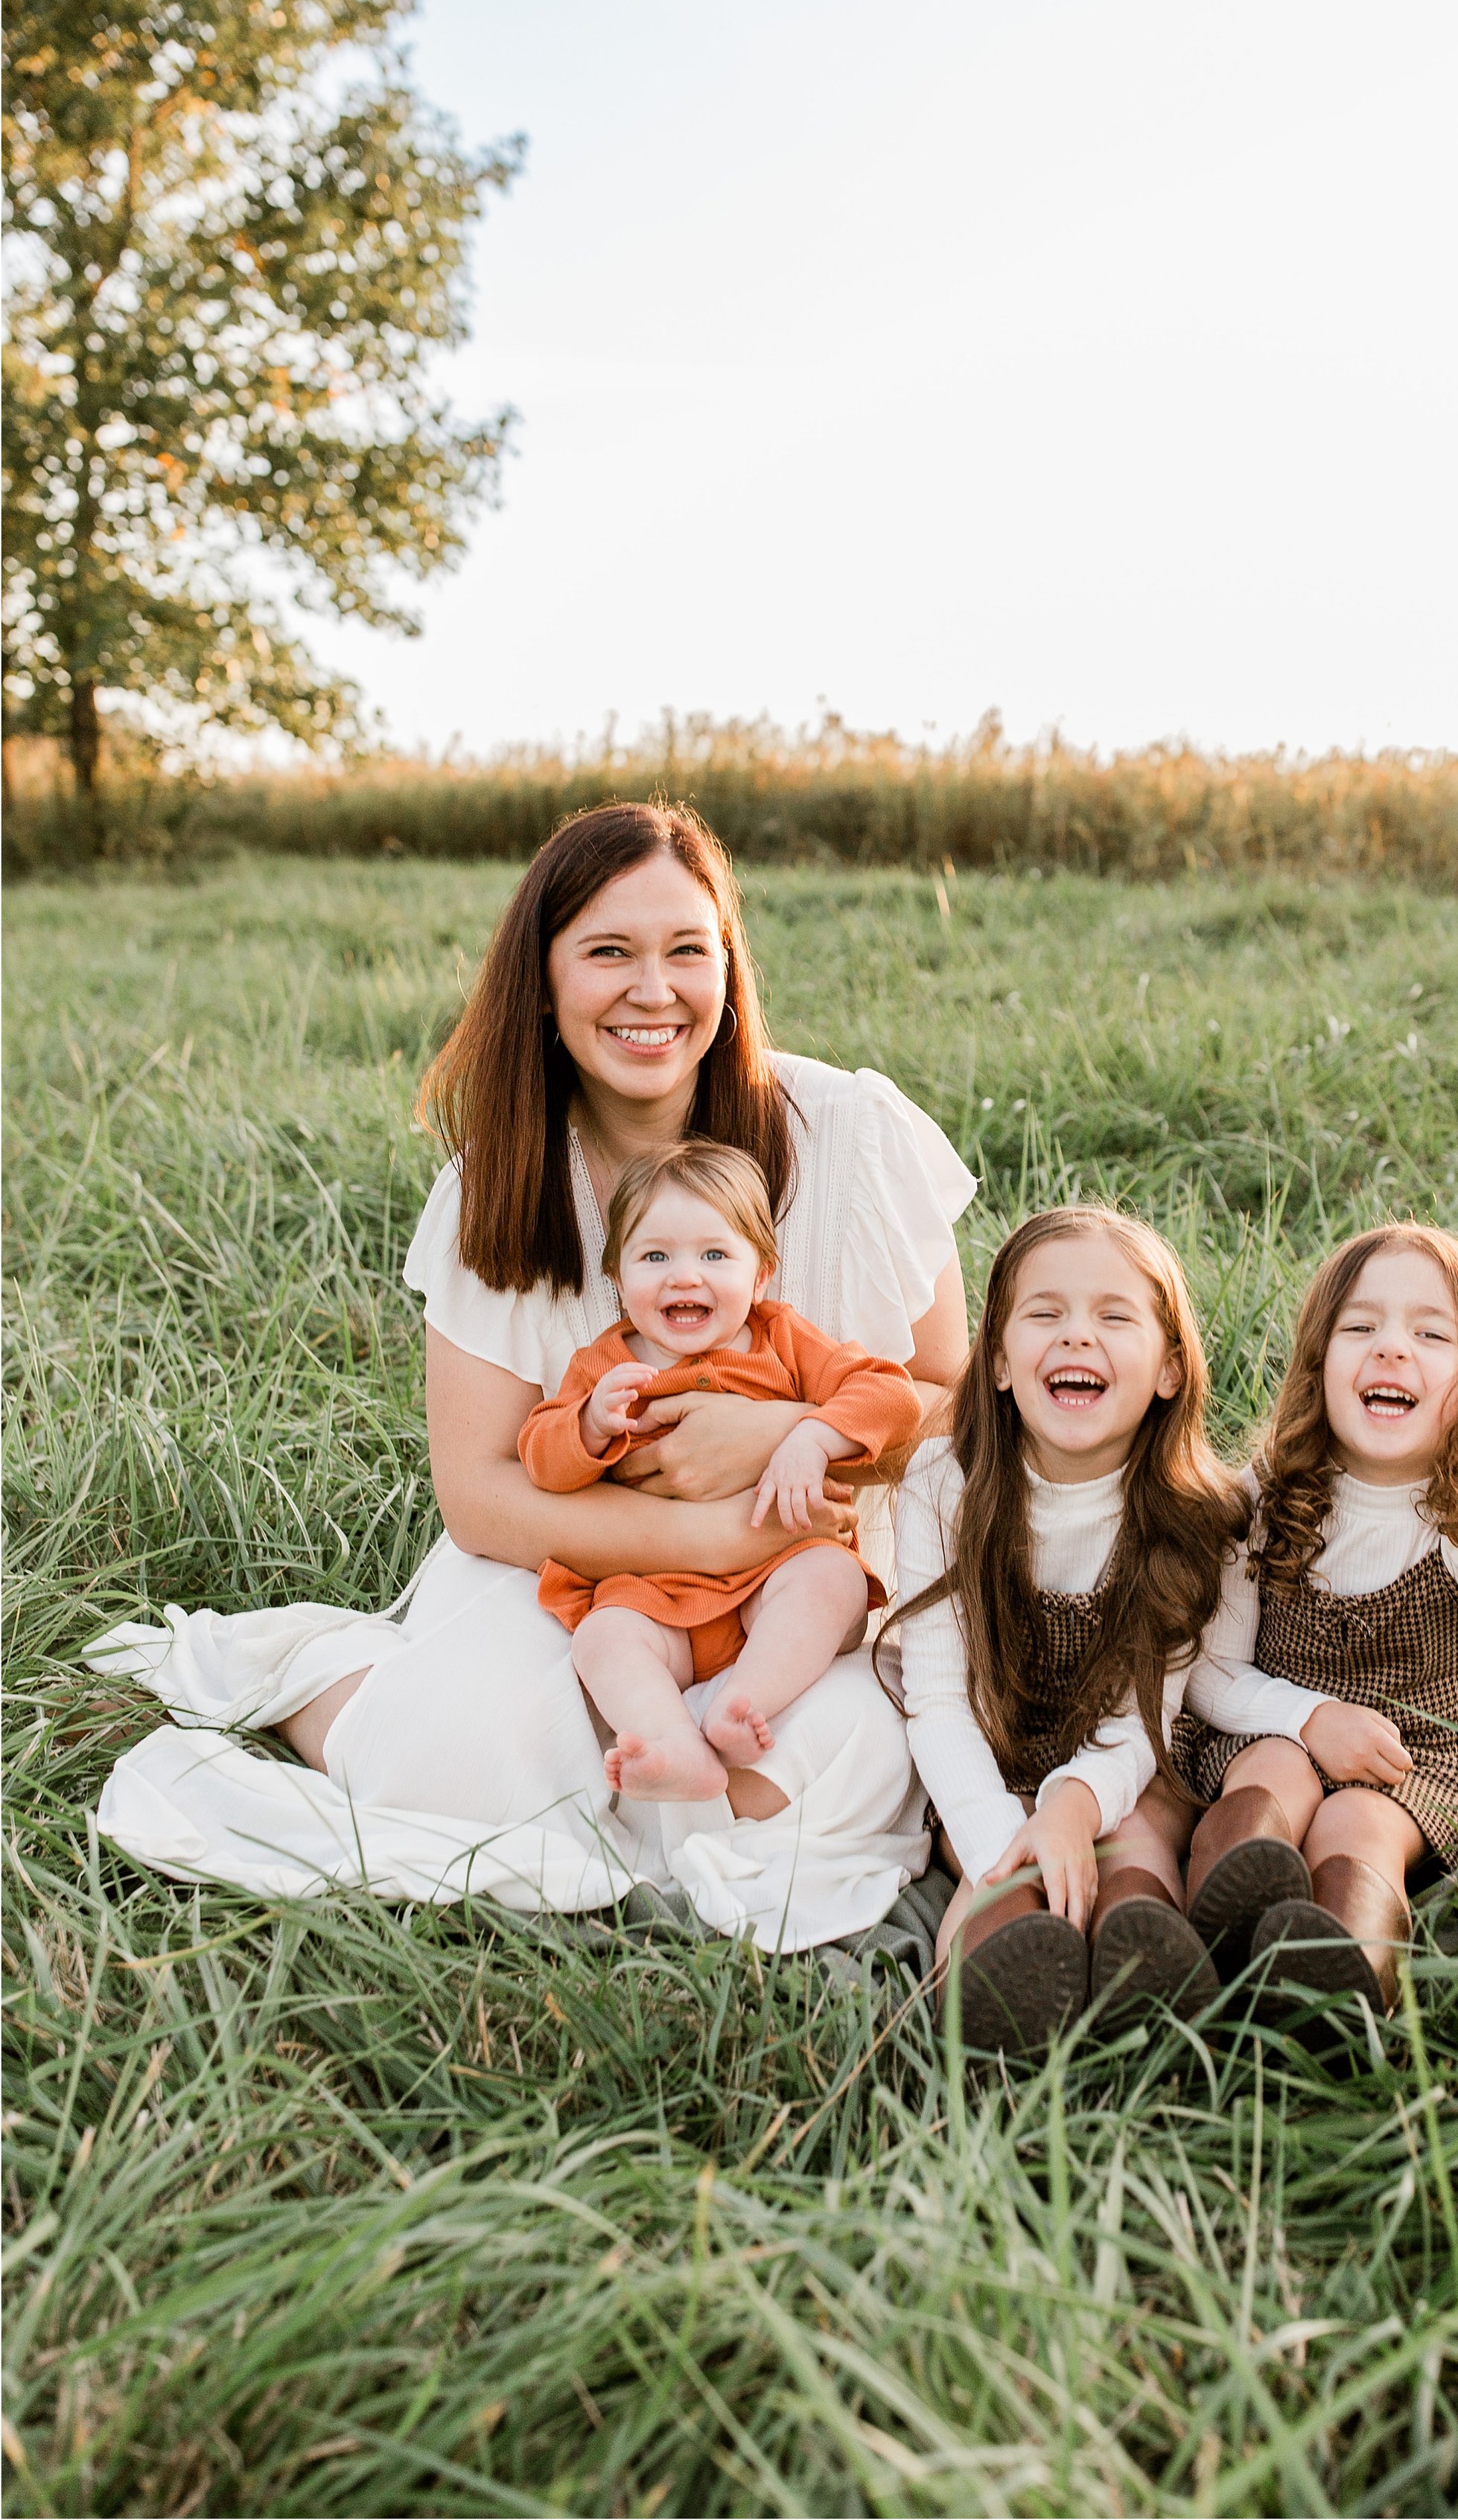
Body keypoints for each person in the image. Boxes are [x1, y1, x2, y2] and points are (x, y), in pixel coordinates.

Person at [84, 803, 973, 1951]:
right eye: (608, 953)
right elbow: (484, 1494)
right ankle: (329, 1686)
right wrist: (702, 1541)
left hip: (809, 1579)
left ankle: (679, 1805)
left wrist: (786, 1435)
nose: (653, 991)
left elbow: (952, 1397)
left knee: (853, 1761)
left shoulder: (852, 1132)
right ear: (543, 987)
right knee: (469, 1761)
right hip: (575, 1573)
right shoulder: (500, 1184)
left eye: (685, 950)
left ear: (729, 968)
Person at [1159, 1222, 1458, 2026]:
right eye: (1360, 1327)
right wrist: (1309, 1719)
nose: (1391, 1349)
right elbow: (1210, 1671)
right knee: (1275, 1779)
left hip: (1412, 1762)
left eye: (1430, 1334)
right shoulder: (1263, 1500)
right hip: (1272, 1732)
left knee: (1356, 1821)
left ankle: (1344, 1982)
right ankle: (1212, 1926)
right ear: (1320, 1362)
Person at [885, 1206, 1241, 2053]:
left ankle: (1142, 1972)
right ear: (1000, 1363)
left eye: (1115, 1317)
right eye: (1045, 1313)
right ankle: (992, 1987)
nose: (1077, 1336)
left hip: (1126, 1764)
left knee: (1140, 1839)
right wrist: (1003, 1844)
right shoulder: (946, 1483)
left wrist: (1073, 1810)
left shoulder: (1191, 1516)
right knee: (991, 1881)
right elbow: (936, 1700)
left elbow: (1138, 1725)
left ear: (1167, 1369)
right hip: (987, 1756)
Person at [519, 1136, 920, 1799]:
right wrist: (588, 1423)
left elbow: (892, 1394)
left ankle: (746, 1701)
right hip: (657, 1595)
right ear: (618, 1277)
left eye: (714, 1255)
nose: (684, 1276)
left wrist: (812, 1435)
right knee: (601, 1639)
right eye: (655, 1257)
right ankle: (672, 1745)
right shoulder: (606, 1367)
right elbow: (541, 1460)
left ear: (760, 1274)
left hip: (775, 1578)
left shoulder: (782, 1338)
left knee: (831, 1579)